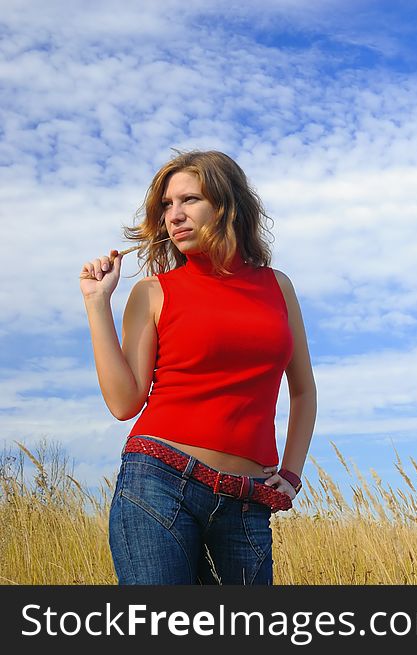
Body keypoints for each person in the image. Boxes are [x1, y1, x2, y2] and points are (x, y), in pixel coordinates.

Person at [80, 150, 317, 584]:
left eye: (189, 200)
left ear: (226, 205)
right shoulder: (152, 292)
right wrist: (97, 305)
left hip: (248, 501)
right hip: (160, 481)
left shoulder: (277, 286)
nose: (175, 215)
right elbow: (123, 402)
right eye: (167, 206)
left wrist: (291, 473)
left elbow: (302, 391)